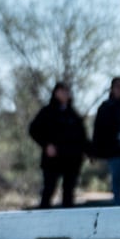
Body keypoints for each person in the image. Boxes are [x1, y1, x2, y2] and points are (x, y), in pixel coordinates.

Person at [28, 80, 86, 209]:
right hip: (52, 160)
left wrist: (88, 152)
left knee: (69, 194)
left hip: (72, 160)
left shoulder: (74, 115)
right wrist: (46, 145)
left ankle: (68, 223)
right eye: (62, 91)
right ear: (55, 93)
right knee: (49, 190)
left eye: (67, 91)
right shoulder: (47, 112)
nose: (65, 94)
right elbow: (33, 130)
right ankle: (43, 219)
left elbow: (82, 138)